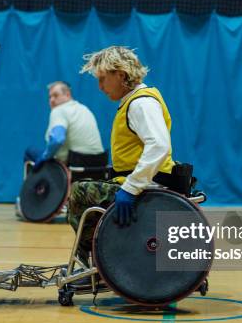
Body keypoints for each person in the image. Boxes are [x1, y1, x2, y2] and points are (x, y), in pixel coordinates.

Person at [69, 46, 177, 261]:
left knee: (79, 192)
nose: (100, 87)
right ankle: (103, 259)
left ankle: (95, 262)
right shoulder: (135, 100)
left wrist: (131, 187)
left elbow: (159, 145)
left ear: (120, 74)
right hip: (143, 181)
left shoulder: (141, 103)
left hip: (150, 185)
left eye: (102, 79)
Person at [24, 81, 104, 171]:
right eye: (49, 97)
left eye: (56, 95)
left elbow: (57, 140)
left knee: (30, 152)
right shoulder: (85, 109)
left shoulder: (59, 110)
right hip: (98, 166)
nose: (52, 100)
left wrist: (44, 157)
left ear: (67, 94)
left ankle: (35, 185)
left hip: (73, 165)